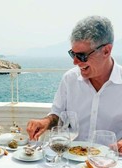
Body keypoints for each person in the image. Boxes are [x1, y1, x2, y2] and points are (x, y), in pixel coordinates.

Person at [26, 15, 122, 152]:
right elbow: (58, 115)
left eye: (82, 56)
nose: (75, 62)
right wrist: (45, 122)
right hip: (72, 160)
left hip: (109, 163)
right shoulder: (69, 79)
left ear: (106, 51)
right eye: (73, 54)